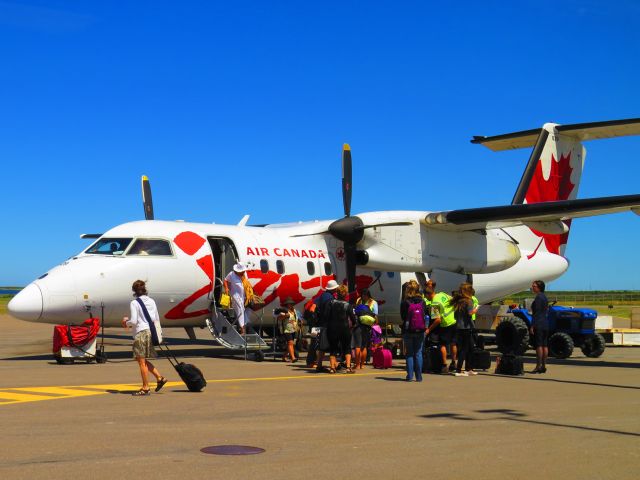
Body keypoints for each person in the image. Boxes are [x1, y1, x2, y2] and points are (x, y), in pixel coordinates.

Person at [122, 280, 167, 396]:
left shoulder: (134, 303)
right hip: (150, 332)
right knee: (142, 360)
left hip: (141, 333)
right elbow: (156, 318)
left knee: (141, 362)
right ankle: (159, 378)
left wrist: (125, 322)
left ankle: (146, 387)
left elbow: (134, 321)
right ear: (144, 289)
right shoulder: (152, 301)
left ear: (134, 291)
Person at [424, 280, 457, 374]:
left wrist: (428, 329)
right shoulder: (442, 294)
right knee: (453, 343)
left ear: (428, 295)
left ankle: (444, 365)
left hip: (445, 323)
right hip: (453, 320)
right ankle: (454, 363)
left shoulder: (434, 304)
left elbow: (437, 320)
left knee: (442, 345)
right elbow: (452, 300)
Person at [449, 283, 479, 376]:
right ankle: (459, 370)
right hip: (466, 327)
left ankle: (469, 368)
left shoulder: (458, 301)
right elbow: (470, 314)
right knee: (464, 349)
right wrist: (475, 310)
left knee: (470, 348)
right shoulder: (468, 301)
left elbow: (455, 315)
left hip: (459, 327)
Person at [400, 280, 427, 382]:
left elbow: (403, 316)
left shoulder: (405, 302)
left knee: (410, 353)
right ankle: (419, 377)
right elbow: (426, 315)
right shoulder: (422, 301)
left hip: (408, 330)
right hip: (420, 330)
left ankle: (410, 376)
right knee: (418, 353)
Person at [327, 284, 357, 374]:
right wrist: (353, 325)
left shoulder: (331, 303)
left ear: (337, 293)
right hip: (344, 328)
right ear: (346, 294)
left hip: (332, 328)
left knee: (333, 349)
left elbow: (326, 315)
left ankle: (332, 368)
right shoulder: (348, 305)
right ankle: (348, 367)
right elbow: (353, 318)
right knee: (347, 347)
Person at [311, 279, 339, 372]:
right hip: (330, 325)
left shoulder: (321, 296)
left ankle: (319, 365)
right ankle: (333, 366)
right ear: (334, 289)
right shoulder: (331, 299)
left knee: (321, 347)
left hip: (321, 325)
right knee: (332, 346)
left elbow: (312, 308)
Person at [353, 288, 378, 369]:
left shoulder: (358, 300)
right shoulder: (373, 302)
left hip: (358, 325)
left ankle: (357, 364)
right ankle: (362, 365)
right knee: (364, 346)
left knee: (357, 346)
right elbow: (375, 315)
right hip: (367, 327)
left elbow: (355, 312)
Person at [224, 262, 250, 334]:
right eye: (242, 271)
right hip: (236, 296)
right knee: (240, 311)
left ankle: (245, 324)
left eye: (243, 271)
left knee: (247, 310)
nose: (243, 272)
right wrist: (226, 288)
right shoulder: (231, 274)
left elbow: (247, 284)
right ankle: (242, 329)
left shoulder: (244, 274)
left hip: (244, 296)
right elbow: (225, 280)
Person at [530, 280, 549, 373]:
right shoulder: (544, 297)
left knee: (539, 345)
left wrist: (532, 325)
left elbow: (536, 313)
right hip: (545, 323)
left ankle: (538, 366)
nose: (532, 287)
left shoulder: (538, 298)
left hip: (539, 323)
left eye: (534, 286)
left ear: (539, 288)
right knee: (545, 345)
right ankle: (544, 365)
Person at [277, 297, 300, 363]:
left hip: (294, 329)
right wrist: (285, 316)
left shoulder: (294, 310)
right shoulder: (284, 311)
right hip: (287, 330)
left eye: (291, 304)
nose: (290, 305)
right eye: (288, 304)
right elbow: (279, 318)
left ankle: (284, 357)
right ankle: (293, 358)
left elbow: (296, 318)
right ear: (286, 305)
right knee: (290, 343)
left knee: (291, 344)